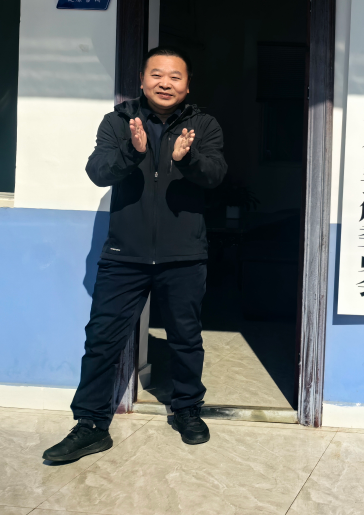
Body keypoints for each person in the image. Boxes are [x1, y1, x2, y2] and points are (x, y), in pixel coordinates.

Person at [43, 46, 227, 463]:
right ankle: (91, 425)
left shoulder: (203, 124)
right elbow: (97, 172)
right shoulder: (119, 121)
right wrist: (132, 151)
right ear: (142, 81)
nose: (166, 83)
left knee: (185, 338)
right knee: (102, 340)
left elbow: (215, 175)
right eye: (157, 75)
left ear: (187, 85)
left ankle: (186, 410)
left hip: (183, 254)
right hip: (124, 255)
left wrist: (188, 159)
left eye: (175, 76)